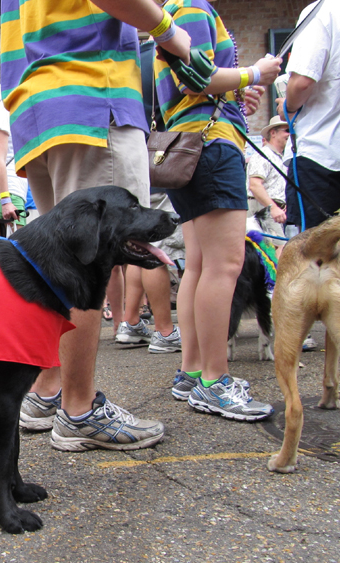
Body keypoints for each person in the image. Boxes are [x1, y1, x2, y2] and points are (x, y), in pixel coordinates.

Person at [2, 0, 191, 451]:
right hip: (91, 98)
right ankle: (79, 410)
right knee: (86, 268)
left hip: (39, 108)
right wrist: (168, 31)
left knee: (57, 268)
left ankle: (47, 392)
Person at [156, 0, 280, 421]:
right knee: (224, 265)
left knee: (201, 264)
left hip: (193, 144)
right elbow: (197, 79)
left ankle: (194, 372)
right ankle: (214, 380)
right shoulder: (191, 6)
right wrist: (255, 73)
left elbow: (196, 82)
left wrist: (237, 92)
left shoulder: (178, 7)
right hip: (212, 144)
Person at [115, 38, 182, 354]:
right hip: (158, 157)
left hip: (127, 154)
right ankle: (165, 330)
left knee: (137, 248)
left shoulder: (129, 53)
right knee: (155, 247)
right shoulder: (158, 49)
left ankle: (130, 321)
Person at [277, 0, 340, 231]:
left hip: (321, 153)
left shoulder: (323, 12)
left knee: (313, 255)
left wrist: (288, 107)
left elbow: (302, 82)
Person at [247, 115, 290, 255]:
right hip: (262, 209)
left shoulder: (278, 157)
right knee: (279, 248)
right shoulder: (263, 155)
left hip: (269, 209)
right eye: (286, 130)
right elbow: (255, 185)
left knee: (272, 250)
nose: (290, 134)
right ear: (273, 132)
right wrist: (273, 208)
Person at [0, 100, 27, 237]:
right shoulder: (3, 113)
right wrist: (6, 201)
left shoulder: (6, 112)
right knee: (14, 254)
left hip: (11, 192)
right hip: (8, 193)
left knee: (9, 254)